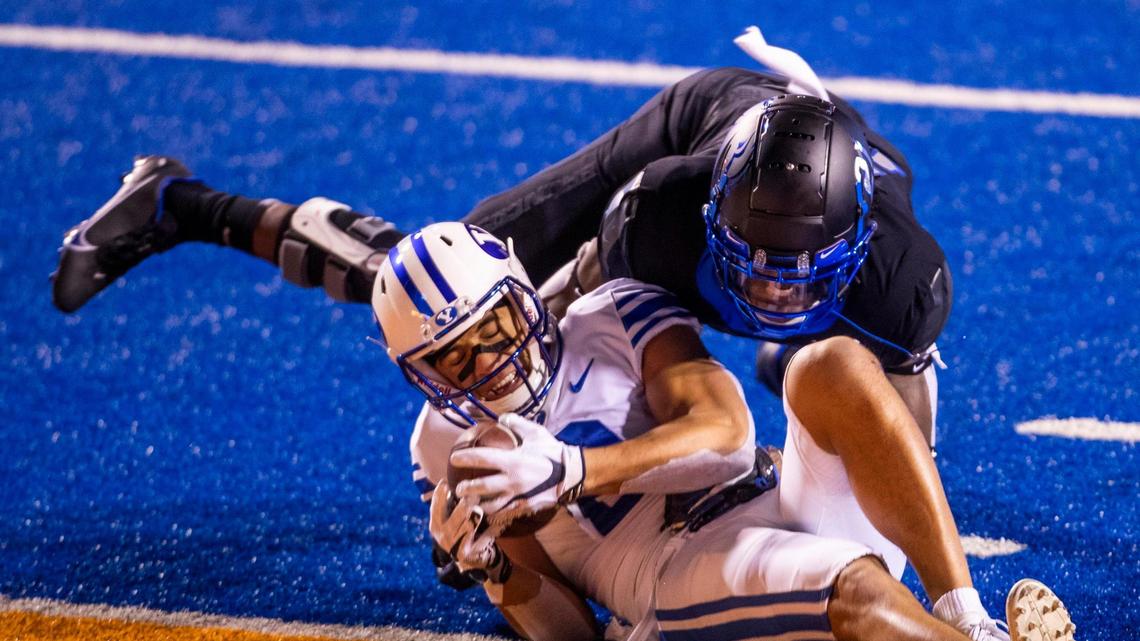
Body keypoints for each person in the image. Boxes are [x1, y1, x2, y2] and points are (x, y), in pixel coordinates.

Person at [49, 28, 948, 448]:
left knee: (833, 378)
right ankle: (183, 204)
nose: (769, 289)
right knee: (447, 291)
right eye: (751, 266)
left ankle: (789, 364)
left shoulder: (902, 283)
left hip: (787, 232)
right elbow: (595, 347)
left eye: (796, 280)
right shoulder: (659, 216)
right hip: (693, 133)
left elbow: (912, 457)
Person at [372, 222, 1074, 641]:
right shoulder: (450, 447)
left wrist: (576, 469)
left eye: (490, 329)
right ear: (421, 372)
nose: (487, 362)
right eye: (454, 357)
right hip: (672, 574)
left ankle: (968, 615)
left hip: (770, 491)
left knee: (826, 364)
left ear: (521, 295)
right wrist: (494, 570)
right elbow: (573, 633)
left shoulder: (611, 314)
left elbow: (730, 434)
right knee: (851, 585)